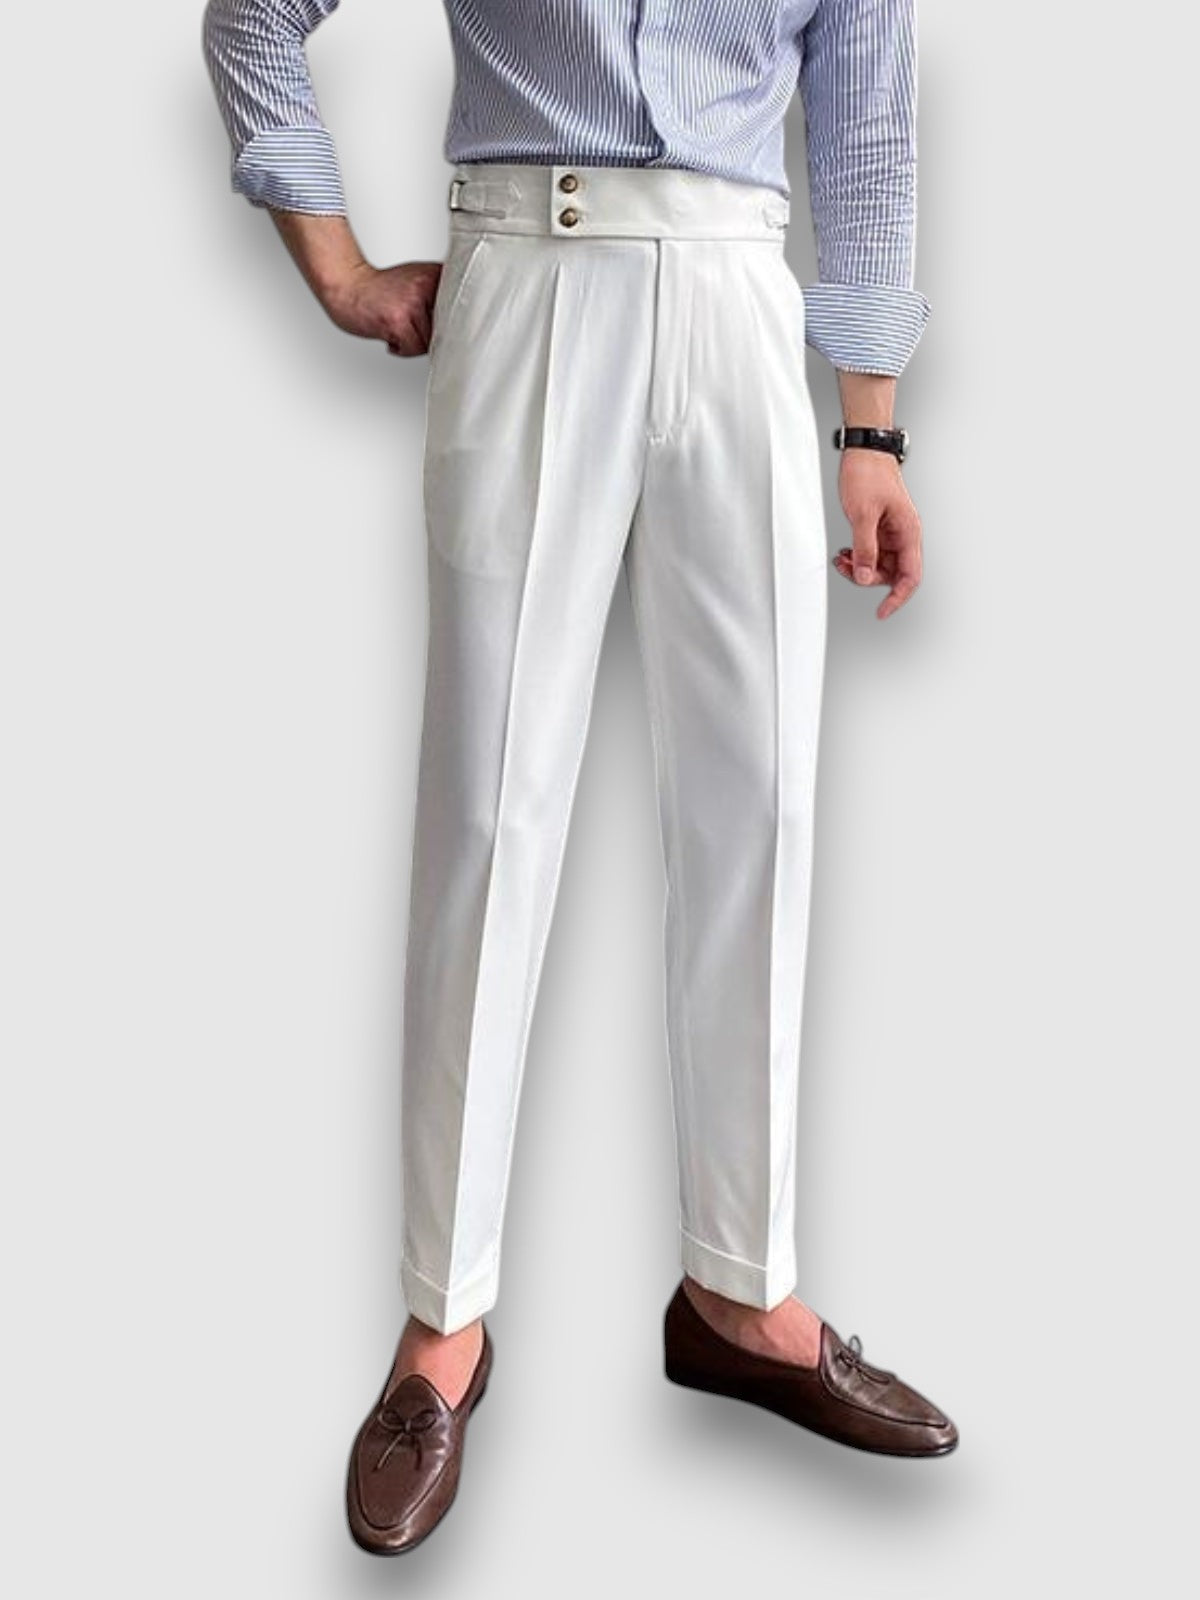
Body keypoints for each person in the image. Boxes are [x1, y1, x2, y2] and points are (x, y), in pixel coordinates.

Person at [201, 0, 957, 1557]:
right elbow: (255, 15)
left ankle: (741, 1291)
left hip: (741, 294)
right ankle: (443, 1324)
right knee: (491, 811)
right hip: (529, 281)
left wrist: (871, 427)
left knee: (762, 806)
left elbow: (866, 112)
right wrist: (336, 268)